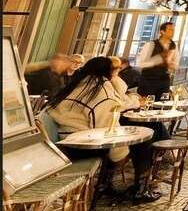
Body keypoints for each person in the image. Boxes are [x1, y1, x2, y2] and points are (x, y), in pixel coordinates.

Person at [47, 57, 160, 203]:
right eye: (115, 70)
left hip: (65, 141)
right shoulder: (101, 92)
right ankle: (140, 190)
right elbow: (107, 128)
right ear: (109, 72)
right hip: (81, 146)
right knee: (143, 143)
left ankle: (106, 184)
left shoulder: (79, 84)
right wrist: (120, 155)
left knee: (137, 138)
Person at [137, 21, 177, 99]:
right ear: (162, 32)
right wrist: (159, 60)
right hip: (148, 80)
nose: (172, 32)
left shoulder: (174, 46)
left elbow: (175, 64)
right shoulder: (150, 44)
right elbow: (142, 64)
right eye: (170, 30)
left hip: (164, 81)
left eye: (173, 30)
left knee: (163, 104)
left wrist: (170, 64)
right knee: (147, 105)